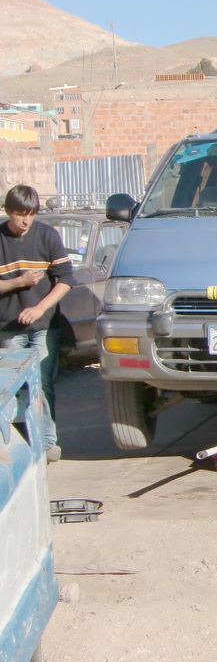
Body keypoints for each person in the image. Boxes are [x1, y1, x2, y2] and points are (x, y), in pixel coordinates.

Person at [0, 185, 74, 462]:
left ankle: (46, 442)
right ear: (8, 212)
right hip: (9, 327)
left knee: (42, 383)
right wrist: (19, 282)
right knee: (16, 386)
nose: (26, 221)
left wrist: (40, 307)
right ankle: (21, 442)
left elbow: (66, 279)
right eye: (20, 214)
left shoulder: (47, 235)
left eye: (31, 214)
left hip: (44, 325)